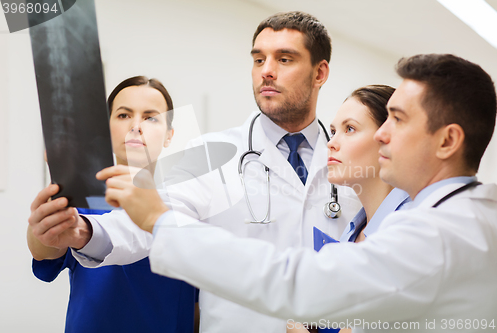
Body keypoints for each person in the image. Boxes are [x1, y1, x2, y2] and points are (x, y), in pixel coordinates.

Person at [98, 54, 497, 332]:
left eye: (398, 119)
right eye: (258, 59)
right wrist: (89, 231)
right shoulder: (451, 216)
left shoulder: (442, 232)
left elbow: (298, 282)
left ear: (447, 141)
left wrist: (160, 220)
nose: (383, 134)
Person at [28, 11, 361, 333]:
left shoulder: (357, 161)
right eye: (259, 59)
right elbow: (150, 222)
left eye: (284, 59)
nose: (267, 71)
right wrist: (85, 230)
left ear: (319, 73)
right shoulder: (210, 154)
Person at [27, 76, 196, 333]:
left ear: (169, 135)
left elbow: (196, 304)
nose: (136, 126)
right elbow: (45, 251)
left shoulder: (189, 205)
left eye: (151, 117)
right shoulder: (81, 200)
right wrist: (49, 214)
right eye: (123, 115)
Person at [290, 85, 411, 333]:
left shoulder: (408, 230)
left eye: (350, 129)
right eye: (333, 131)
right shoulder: (352, 232)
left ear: (388, 140)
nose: (331, 144)